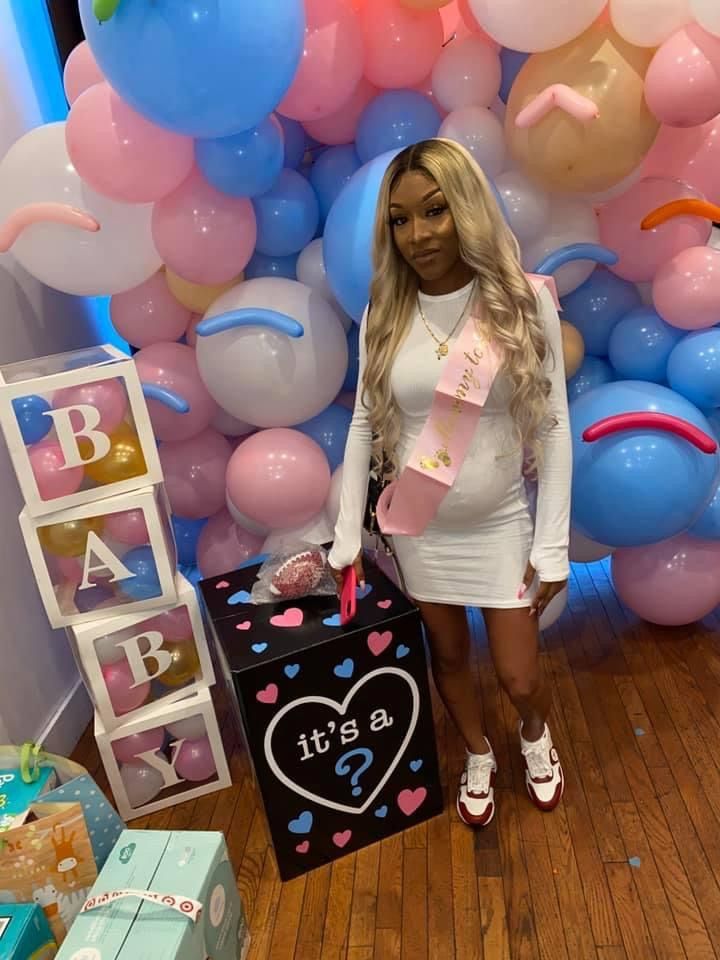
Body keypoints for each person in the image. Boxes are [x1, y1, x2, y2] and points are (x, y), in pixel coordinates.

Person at [328, 138, 571, 828]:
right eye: (400, 220)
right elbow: (362, 428)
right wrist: (349, 530)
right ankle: (477, 751)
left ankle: (532, 733)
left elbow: (553, 431)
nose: (418, 235)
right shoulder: (384, 314)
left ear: (465, 208)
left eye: (434, 211)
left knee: (521, 675)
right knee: (450, 658)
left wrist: (551, 545)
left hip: (499, 526)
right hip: (422, 528)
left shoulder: (523, 303)